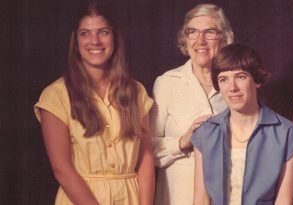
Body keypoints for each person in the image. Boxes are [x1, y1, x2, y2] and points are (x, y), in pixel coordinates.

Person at [34, 2, 154, 205]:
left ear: (114, 37)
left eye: (103, 32)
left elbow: (146, 159)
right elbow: (61, 169)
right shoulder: (56, 95)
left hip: (131, 198)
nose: (95, 41)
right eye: (85, 33)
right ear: (75, 40)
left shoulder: (136, 91)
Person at [192, 43, 293, 205]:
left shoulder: (288, 134)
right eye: (223, 79)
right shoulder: (205, 133)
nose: (232, 88)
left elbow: (284, 201)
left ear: (257, 81)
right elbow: (201, 200)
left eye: (240, 77)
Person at [151, 3, 234, 205]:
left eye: (209, 32)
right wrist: (182, 142)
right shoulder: (167, 83)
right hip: (178, 197)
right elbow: (145, 150)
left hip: (227, 196)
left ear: (223, 38)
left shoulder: (236, 84)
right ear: (185, 39)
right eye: (192, 32)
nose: (200, 40)